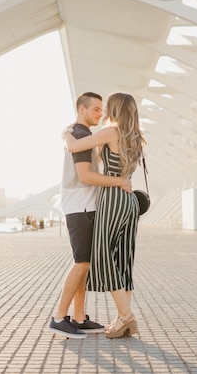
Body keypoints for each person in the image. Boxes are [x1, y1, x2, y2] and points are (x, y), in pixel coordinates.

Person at [48, 92, 133, 340]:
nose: (100, 113)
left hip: (84, 205)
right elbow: (85, 176)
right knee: (82, 263)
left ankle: (79, 318)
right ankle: (58, 318)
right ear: (82, 109)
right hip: (80, 206)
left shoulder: (81, 135)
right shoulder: (81, 135)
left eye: (101, 109)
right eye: (95, 109)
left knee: (84, 264)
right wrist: (119, 182)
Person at [65, 92, 146, 339]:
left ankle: (127, 317)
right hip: (130, 201)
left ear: (115, 108)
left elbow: (75, 146)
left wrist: (67, 132)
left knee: (104, 256)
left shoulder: (112, 132)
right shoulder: (137, 137)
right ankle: (121, 319)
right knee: (122, 258)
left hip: (112, 198)